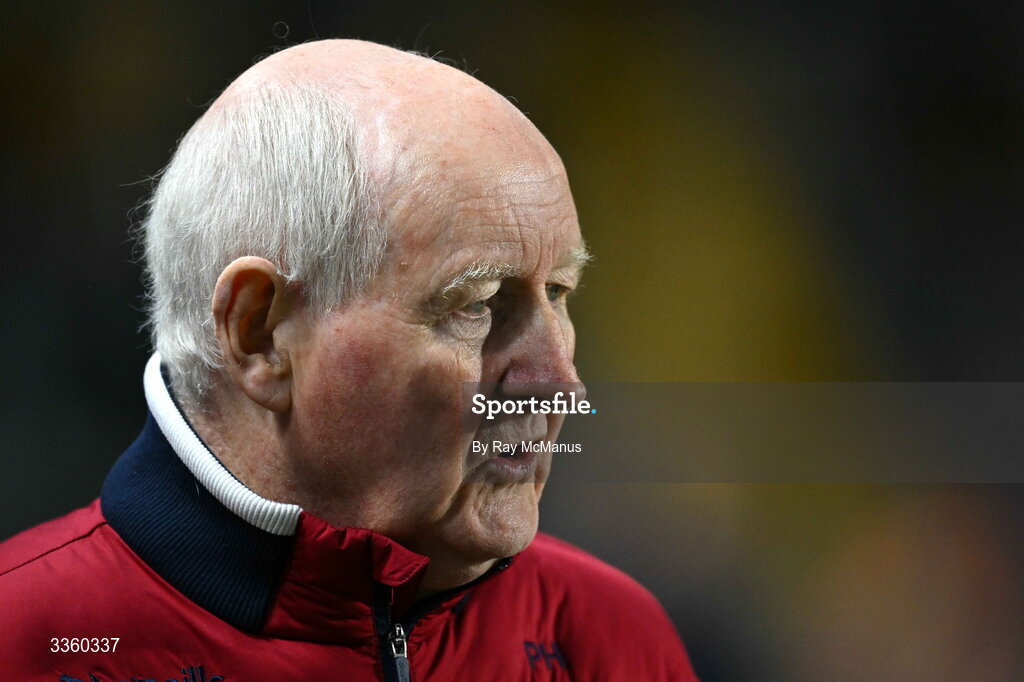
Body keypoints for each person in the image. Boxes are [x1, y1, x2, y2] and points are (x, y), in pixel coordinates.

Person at [0, 39, 698, 681]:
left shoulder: (607, 637)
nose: (559, 385)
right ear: (260, 334)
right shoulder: (24, 642)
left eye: (559, 293)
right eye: (478, 303)